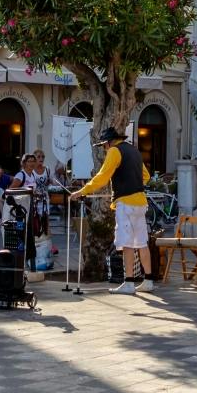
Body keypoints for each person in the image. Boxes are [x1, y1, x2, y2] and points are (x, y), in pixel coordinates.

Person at [71, 126, 155, 294]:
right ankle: (148, 280)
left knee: (127, 244)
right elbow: (145, 176)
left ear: (109, 142)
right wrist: (132, 184)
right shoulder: (134, 151)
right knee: (141, 243)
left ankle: (129, 282)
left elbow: (102, 176)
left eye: (104, 145)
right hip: (140, 202)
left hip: (126, 203)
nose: (104, 148)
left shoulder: (115, 151)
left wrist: (83, 191)